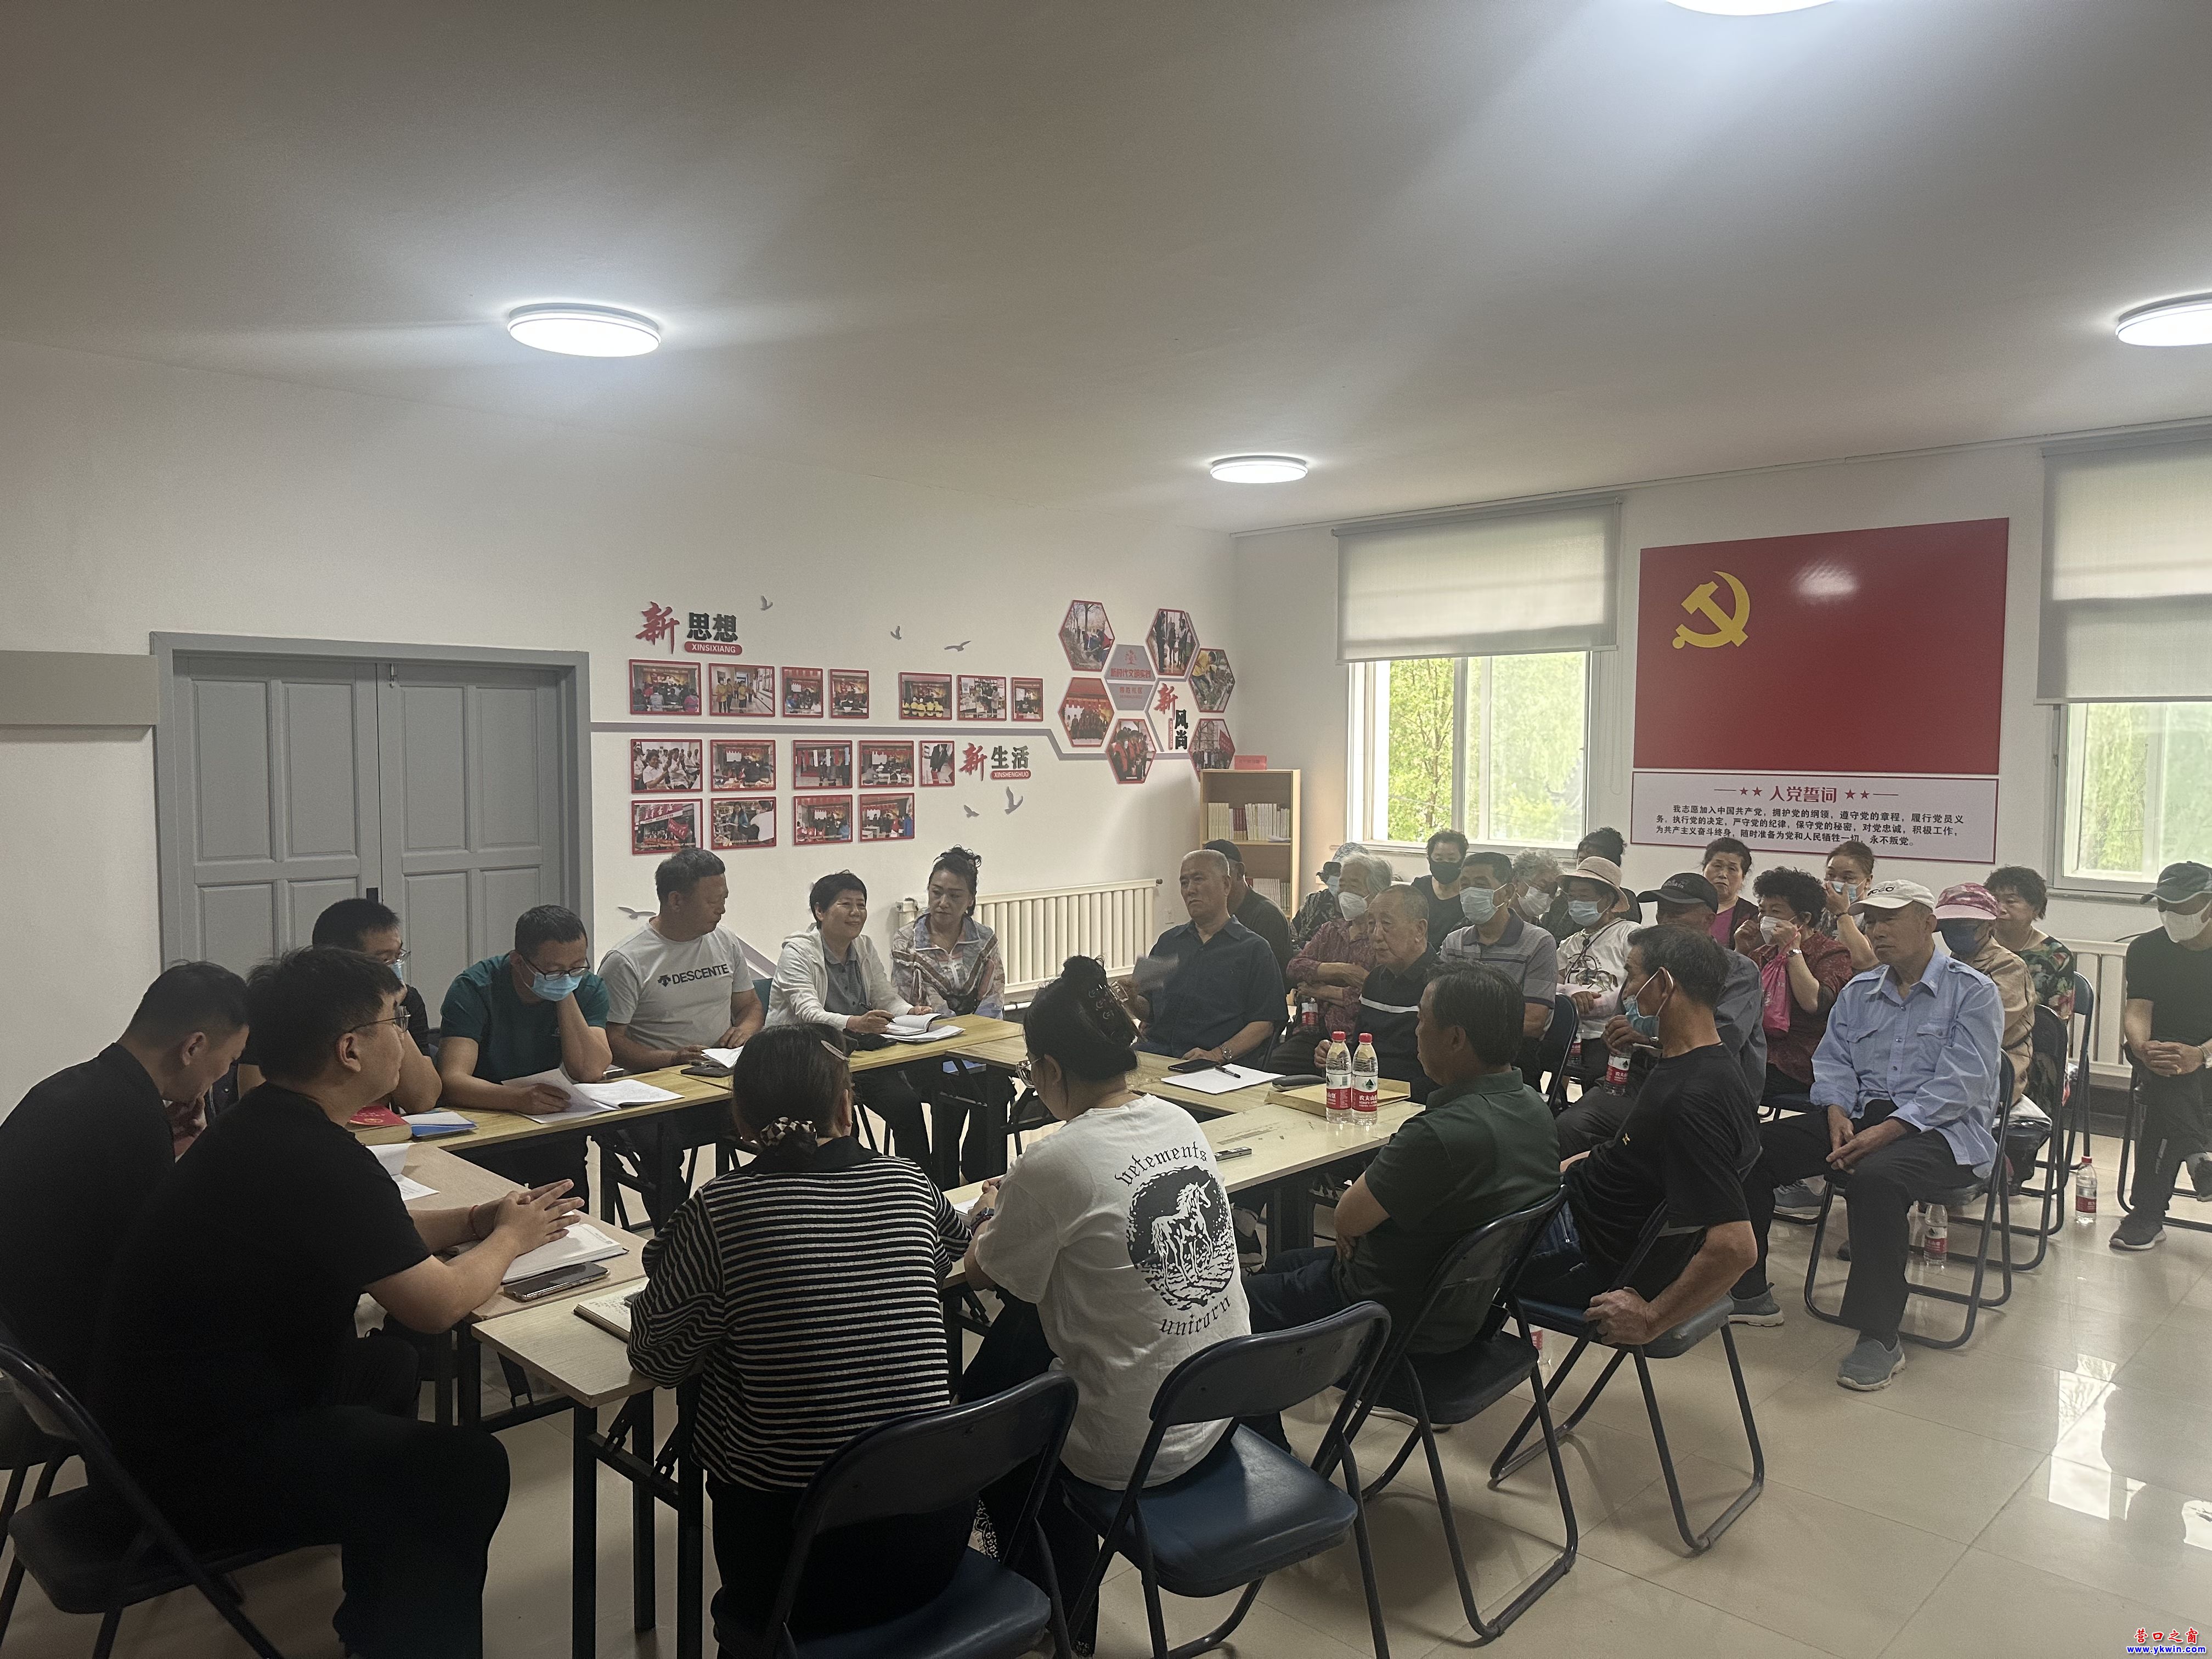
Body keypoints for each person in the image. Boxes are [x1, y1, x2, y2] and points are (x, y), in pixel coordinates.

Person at [94, 947, 582, 1659]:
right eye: (398, 1021)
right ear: (350, 1049)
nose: (407, 1037)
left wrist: (479, 1220)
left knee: (386, 1367)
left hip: (176, 1411)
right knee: (464, 1469)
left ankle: (377, 1610)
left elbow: (370, 1228)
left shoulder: (268, 1122)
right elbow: (436, 1305)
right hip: (190, 1460)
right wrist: (512, 1240)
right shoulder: (315, 1155)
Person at [627, 1025, 973, 1645]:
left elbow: (656, 1356)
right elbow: (952, 1250)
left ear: (739, 1120)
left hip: (790, 1576)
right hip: (931, 1550)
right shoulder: (908, 1182)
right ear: (847, 1106)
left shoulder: (721, 1209)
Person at [957, 956, 1251, 1652]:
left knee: (988, 1437)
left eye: (1031, 1071)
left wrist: (996, 1208)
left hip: (1131, 1448)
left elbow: (983, 1271)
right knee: (1039, 1327)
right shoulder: (1180, 1120)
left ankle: (1056, 1618)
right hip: (1217, 1408)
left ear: (1052, 1069)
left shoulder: (1055, 1161)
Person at [1728, 881, 2003, 1389]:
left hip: (1941, 1129)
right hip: (1859, 1116)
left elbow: (1964, 1083)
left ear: (1929, 924)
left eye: (1889, 919)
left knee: (1876, 1179)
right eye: (1870, 920)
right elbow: (1834, 1061)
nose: (1876, 930)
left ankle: (1880, 1335)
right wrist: (1835, 1110)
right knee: (1752, 1153)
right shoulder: (1860, 991)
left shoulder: (1973, 991)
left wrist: (1891, 1129)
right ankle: (1748, 1291)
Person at [1243, 966, 1559, 1345]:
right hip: (1466, 1307)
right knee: (1286, 1262)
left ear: (1455, 1038)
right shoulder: (1537, 1111)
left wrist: (1357, 1223)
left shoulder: (1440, 1134)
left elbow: (1347, 1218)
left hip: (1385, 1314)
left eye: (1422, 1020)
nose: (1415, 1031)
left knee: (1232, 1306)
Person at [0, 963, 249, 1387]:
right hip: (78, 1364)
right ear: (193, 1047)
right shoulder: (133, 1122)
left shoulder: (63, 1088)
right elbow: (157, 1273)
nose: (224, 1075)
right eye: (230, 1060)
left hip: (22, 1333)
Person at [1516, 929, 1760, 1351]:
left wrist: (1651, 1319)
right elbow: (1630, 1155)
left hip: (1580, 1253)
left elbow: (1736, 1249)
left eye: (1632, 976)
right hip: (1579, 1213)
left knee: (1443, 1248)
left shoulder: (1692, 1100)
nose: (1626, 991)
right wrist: (1563, 1171)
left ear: (1663, 984)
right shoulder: (1697, 1061)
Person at [1554, 872, 1768, 1158]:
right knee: (1570, 1127)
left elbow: (1725, 1038)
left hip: (1704, 1090)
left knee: (1659, 1148)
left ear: (1708, 919)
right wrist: (1616, 1035)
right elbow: (1623, 1015)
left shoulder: (1737, 970)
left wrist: (1649, 1035)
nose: (1665, 920)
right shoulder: (1647, 964)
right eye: (1662, 912)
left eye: (1677, 913)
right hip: (1639, 1081)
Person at [437, 904, 612, 1198]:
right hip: (486, 1117)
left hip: (552, 1120)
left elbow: (590, 1070)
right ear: (518, 961)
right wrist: (517, 1098)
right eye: (554, 971)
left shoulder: (588, 988)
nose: (568, 977)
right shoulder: (475, 988)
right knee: (498, 1200)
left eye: (577, 966)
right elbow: (452, 1081)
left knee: (567, 1190)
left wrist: (564, 994)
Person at [768, 871, 930, 1167]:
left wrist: (911, 1012)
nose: (856, 913)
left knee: (907, 1106)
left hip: (859, 1057)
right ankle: (848, 1182)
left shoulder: (864, 946)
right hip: (808, 1063)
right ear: (820, 911)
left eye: (861, 905)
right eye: (846, 904)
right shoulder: (798, 952)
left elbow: (885, 997)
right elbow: (809, 1014)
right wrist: (855, 1023)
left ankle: (921, 1182)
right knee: (837, 1126)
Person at [234, 897, 440, 1125]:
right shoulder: (287, 1004)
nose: (395, 968)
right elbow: (262, 1104)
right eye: (384, 960)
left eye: (398, 956)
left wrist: (392, 1011)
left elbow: (422, 1099)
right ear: (340, 961)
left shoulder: (405, 1000)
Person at [893, 845, 1014, 1183]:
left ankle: (983, 1174)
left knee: (998, 1087)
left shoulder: (984, 939)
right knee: (953, 1090)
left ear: (970, 900)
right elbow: (915, 1004)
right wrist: (956, 1034)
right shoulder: (907, 941)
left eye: (955, 896)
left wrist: (975, 1040)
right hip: (928, 1047)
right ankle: (943, 1179)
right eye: (936, 892)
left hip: (979, 1043)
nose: (943, 903)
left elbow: (993, 1000)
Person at [2112, 861, 2212, 1250]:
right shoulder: (2147, 948)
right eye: (2162, 905)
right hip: (2162, 1056)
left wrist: (2200, 1055)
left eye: (2180, 904)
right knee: (2168, 1072)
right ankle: (2199, 1160)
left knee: (2166, 1094)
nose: (2170, 913)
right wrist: (2143, 1048)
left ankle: (2147, 1215)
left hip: (2206, 1057)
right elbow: (2138, 1011)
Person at [601, 849, 765, 1071]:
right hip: (661, 1076)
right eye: (713, 901)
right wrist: (672, 1059)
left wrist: (744, 1032)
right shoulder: (626, 961)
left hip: (722, 1069)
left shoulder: (725, 941)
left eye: (724, 899)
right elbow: (611, 1041)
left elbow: (749, 1005)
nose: (722, 909)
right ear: (676, 900)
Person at [1128, 848, 1285, 1065]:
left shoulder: (1254, 949)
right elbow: (1150, 1011)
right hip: (1156, 1055)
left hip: (1212, 1065)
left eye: (1199, 879)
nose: (1190, 890)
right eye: (1184, 883)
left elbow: (1265, 1023)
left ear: (1226, 885)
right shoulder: (1168, 942)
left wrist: (1218, 1055)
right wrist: (1131, 1000)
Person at [1741, 866, 1858, 1105]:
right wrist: (1740, 951)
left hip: (1799, 1059)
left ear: (1804, 918)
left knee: (1730, 1080)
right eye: (1762, 911)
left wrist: (1792, 950)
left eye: (1775, 911)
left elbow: (1814, 1003)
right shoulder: (1762, 954)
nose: (1765, 919)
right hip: (1757, 1050)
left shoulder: (1832, 953)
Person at [1269, 850, 1392, 1071]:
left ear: (1377, 892)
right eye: (1342, 885)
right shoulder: (1330, 930)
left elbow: (1370, 998)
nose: (1344, 892)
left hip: (1355, 1040)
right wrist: (1342, 971)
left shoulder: (1383, 939)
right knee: (1272, 1068)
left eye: (1353, 885)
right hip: (1311, 1030)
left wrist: (1320, 990)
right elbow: (1295, 968)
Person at [1437, 848, 1561, 1046]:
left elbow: (1533, 1022)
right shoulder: (1454, 942)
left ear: (1507, 892)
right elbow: (1437, 1006)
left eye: (1481, 885)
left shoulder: (1539, 942)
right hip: (1456, 1050)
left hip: (1509, 1053)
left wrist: (1468, 1028)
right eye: (1465, 885)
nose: (1470, 893)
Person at [1346, 885, 1444, 1099]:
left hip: (1415, 1101)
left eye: (1387, 924)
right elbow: (1361, 1047)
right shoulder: (1375, 979)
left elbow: (1442, 1074)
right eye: (1371, 924)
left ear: (1419, 930)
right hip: (1367, 1093)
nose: (1376, 935)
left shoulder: (1442, 986)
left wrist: (1388, 1094)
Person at [1555, 855, 1637, 1081]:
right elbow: (1551, 983)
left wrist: (1601, 1004)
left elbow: (1640, 982)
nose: (1576, 903)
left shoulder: (1629, 934)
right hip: (1572, 1033)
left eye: (1584, 896)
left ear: (1607, 899)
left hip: (1609, 1035)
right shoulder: (1569, 944)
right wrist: (1571, 992)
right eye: (1572, 897)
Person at [1987, 864, 2080, 1019]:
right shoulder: (1975, 943)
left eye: (2010, 901)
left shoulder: (2057, 956)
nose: (2000, 908)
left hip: (2034, 1032)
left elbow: (2057, 1020)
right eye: (1995, 900)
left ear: (2035, 909)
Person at [1202, 836, 1294, 970]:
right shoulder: (1214, 914)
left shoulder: (1267, 916)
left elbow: (1270, 976)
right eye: (1203, 877)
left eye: (1215, 873)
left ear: (1239, 872)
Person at [1542, 827, 1637, 938]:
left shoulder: (1624, 900)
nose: (1586, 866)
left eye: (1594, 861)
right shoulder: (1562, 898)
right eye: (1582, 860)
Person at [1290, 841, 1367, 951]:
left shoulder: (1367, 908)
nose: (1341, 882)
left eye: (1352, 881)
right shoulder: (1315, 901)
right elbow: (1292, 938)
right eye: (1337, 874)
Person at [1820, 839, 1880, 973]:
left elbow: (1862, 960)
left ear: (1867, 881)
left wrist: (1842, 913)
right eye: (1831, 875)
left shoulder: (1876, 915)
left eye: (1847, 878)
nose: (1837, 882)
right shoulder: (1819, 911)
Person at [1409, 828, 1473, 945]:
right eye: (1439, 859)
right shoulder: (1420, 887)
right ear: (1429, 859)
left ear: (1463, 860)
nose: (1445, 863)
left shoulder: (1471, 894)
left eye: (1452, 859)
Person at [1702, 837, 1760, 950]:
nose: (1723, 874)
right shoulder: (1686, 906)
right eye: (1717, 866)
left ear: (1743, 877)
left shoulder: (1752, 916)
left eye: (1732, 869)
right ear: (1704, 868)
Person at [1513, 848, 1563, 929]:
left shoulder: (1541, 930)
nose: (1546, 898)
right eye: (1542, 887)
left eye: (1552, 894)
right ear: (1517, 881)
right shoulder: (1494, 922)